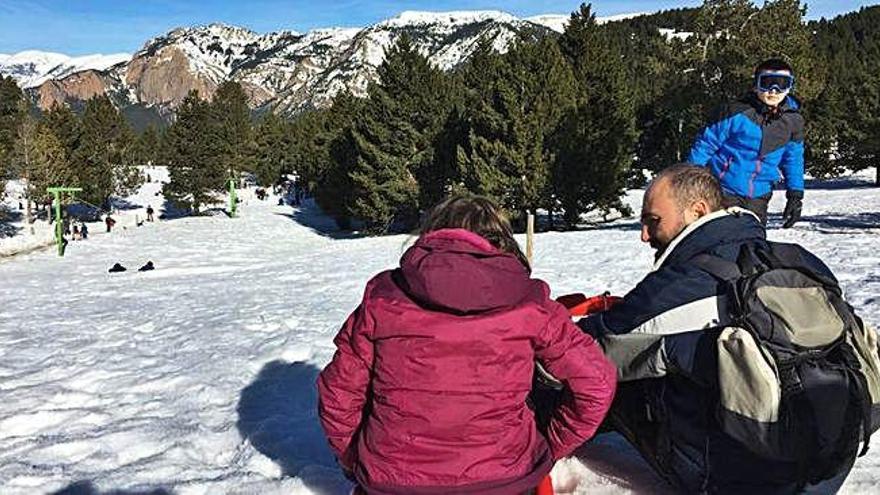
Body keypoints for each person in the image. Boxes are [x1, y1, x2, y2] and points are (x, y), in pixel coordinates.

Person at [579, 165, 870, 493]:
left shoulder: (682, 284)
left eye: (653, 220)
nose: (644, 234)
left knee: (615, 373)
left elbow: (587, 346)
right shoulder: (799, 260)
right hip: (827, 460)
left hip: (739, 479)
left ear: (697, 211)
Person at [317, 195, 616, 495]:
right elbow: (596, 381)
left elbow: (338, 394)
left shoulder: (384, 299)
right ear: (502, 241)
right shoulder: (531, 305)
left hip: (394, 483)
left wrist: (356, 458)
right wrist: (550, 445)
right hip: (505, 480)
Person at [687, 58, 804, 227]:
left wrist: (795, 194)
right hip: (723, 189)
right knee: (722, 241)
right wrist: (687, 181)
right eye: (767, 83)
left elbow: (793, 159)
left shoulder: (793, 121)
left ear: (790, 86)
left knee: (752, 244)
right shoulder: (736, 113)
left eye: (782, 84)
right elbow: (705, 146)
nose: (773, 90)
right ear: (756, 84)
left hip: (759, 194)